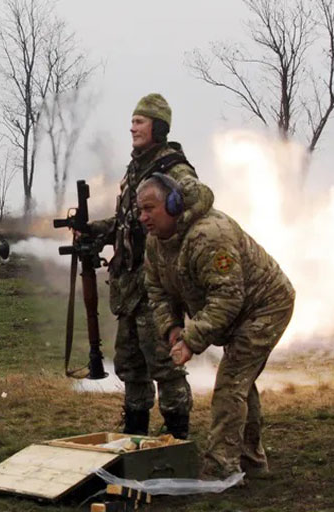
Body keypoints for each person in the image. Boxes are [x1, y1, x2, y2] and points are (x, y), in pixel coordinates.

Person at [138, 174, 295, 479]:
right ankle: (251, 461)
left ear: (173, 205)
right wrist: (171, 328)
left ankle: (221, 468)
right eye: (140, 210)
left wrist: (191, 341)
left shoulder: (209, 235)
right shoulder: (156, 243)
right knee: (239, 383)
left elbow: (226, 298)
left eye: (150, 208)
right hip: (234, 311)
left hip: (265, 306)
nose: (143, 217)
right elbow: (156, 289)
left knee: (231, 383)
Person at [85, 93, 212, 438]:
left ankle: (177, 436)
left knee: (164, 363)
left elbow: (200, 197)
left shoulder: (172, 167)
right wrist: (100, 230)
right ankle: (135, 435)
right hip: (129, 286)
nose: (132, 127)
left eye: (139, 121)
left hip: (157, 285)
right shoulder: (137, 168)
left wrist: (173, 228)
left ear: (157, 127)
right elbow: (131, 220)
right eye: (132, 121)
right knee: (131, 365)